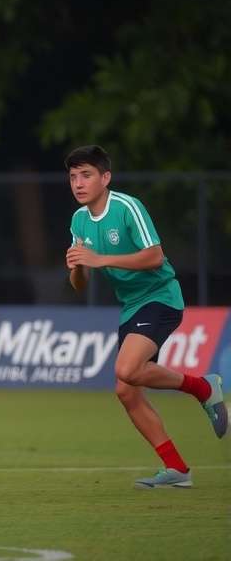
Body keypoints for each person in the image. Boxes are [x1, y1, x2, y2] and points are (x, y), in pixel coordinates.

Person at [64, 145, 227, 488]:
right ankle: (178, 470)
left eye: (86, 175)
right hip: (132, 306)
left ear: (105, 178)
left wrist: (100, 260)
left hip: (161, 297)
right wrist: (77, 267)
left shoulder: (126, 207)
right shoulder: (79, 220)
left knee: (126, 370)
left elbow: (155, 257)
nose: (78, 183)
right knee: (126, 391)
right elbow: (80, 283)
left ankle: (203, 387)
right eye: (73, 176)